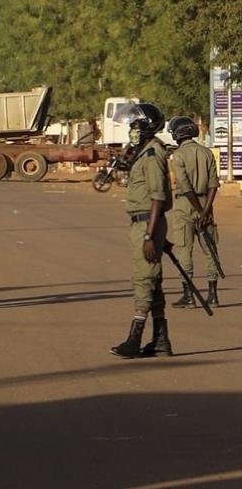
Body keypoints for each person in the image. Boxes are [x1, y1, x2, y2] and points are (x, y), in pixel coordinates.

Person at [110, 103, 173, 358]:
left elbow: (157, 197)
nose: (131, 130)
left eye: (135, 125)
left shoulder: (152, 155)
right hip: (147, 224)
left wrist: (150, 235)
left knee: (144, 280)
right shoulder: (145, 151)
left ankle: (134, 339)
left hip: (147, 224)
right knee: (154, 283)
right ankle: (161, 341)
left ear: (146, 126)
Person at [167, 116, 221, 309]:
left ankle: (188, 295)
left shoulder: (178, 156)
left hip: (185, 205)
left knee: (184, 249)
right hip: (207, 202)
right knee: (210, 250)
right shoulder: (207, 153)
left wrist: (198, 210)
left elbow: (185, 185)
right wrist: (205, 211)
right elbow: (214, 184)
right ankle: (213, 294)